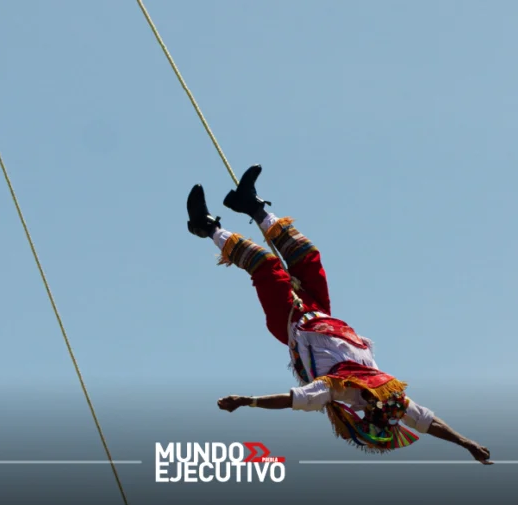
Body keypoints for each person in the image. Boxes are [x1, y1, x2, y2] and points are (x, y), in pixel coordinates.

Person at [185, 165, 492, 464]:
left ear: (371, 411)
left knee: (266, 266)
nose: (390, 399)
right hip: (320, 311)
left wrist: (246, 401)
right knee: (307, 256)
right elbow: (426, 422)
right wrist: (466, 442)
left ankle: (207, 227)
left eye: (383, 407)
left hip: (290, 322)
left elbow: (290, 399)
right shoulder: (386, 389)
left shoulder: (335, 389)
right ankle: (250, 204)